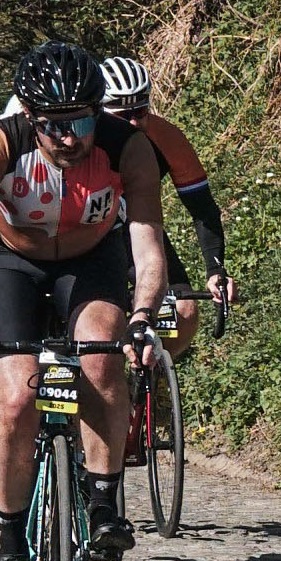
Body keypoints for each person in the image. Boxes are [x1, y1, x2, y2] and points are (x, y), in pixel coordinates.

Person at [0, 42, 169, 561]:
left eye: (82, 122)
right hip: (10, 262)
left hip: (91, 263)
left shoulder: (129, 148)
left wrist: (143, 316)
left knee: (103, 359)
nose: (70, 138)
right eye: (53, 127)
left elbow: (146, 245)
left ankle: (102, 503)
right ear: (28, 117)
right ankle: (12, 552)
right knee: (16, 395)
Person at [97, 55, 232, 348]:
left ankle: (153, 381)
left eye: (140, 111)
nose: (133, 122)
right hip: (89, 233)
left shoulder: (166, 136)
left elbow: (202, 208)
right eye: (122, 115)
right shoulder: (83, 143)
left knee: (183, 311)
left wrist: (216, 270)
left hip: (137, 228)